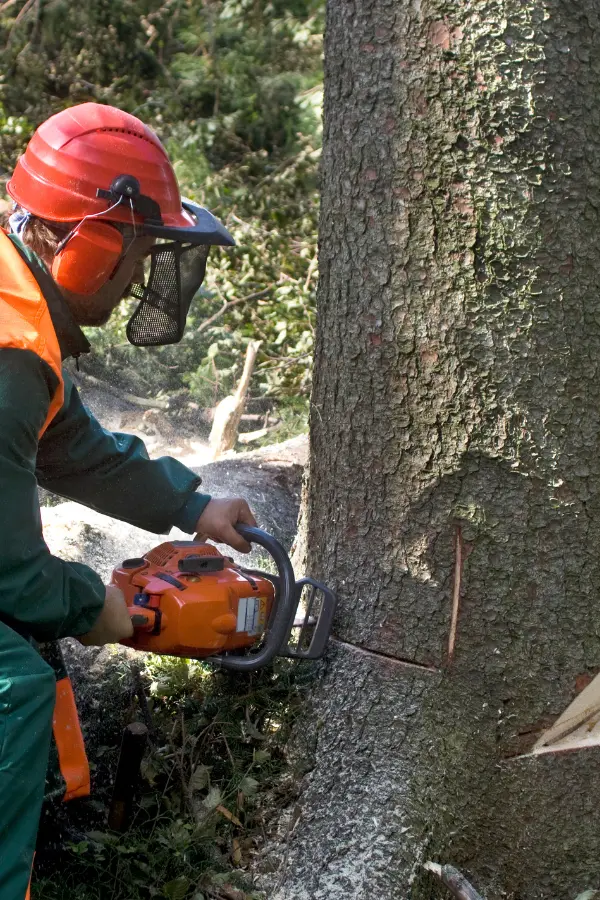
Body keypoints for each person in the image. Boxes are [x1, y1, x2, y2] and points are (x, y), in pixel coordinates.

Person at [0, 102, 257, 899]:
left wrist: (194, 505)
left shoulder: (18, 311)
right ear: (95, 240)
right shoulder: (11, 352)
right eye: (139, 253)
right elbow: (11, 573)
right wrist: (97, 607)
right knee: (14, 686)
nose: (143, 277)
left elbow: (73, 447)